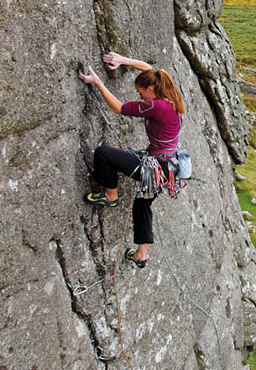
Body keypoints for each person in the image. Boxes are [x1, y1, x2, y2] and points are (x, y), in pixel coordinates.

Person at [78, 52, 186, 268]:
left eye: (141, 93)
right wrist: (124, 61)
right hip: (168, 166)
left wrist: (98, 82)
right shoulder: (170, 95)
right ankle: (141, 255)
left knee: (104, 154)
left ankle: (110, 196)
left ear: (151, 90)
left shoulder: (155, 106)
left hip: (157, 167)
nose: (140, 97)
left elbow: (119, 108)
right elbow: (149, 70)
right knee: (142, 204)